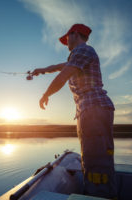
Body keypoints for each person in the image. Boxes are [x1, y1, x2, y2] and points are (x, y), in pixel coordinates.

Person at [31, 24, 117, 199]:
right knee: (92, 156)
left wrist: (45, 94)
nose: (66, 43)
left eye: (67, 38)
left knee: (96, 160)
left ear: (75, 34)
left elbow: (62, 76)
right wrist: (41, 71)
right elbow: (57, 67)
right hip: (89, 110)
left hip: (93, 110)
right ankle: (96, 193)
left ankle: (99, 195)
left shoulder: (83, 51)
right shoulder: (78, 55)